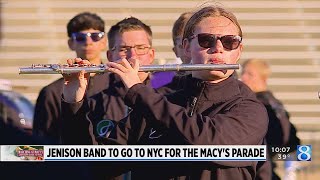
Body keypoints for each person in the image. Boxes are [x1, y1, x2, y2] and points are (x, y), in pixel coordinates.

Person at [104, 5, 269, 179]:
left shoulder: (250, 108)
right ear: (186, 47)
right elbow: (96, 163)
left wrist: (138, 91)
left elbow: (209, 143)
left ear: (238, 51)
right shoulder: (157, 102)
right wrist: (74, 102)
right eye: (206, 40)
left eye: (229, 41)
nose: (218, 48)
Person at [61, 17, 173, 180]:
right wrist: (73, 102)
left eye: (141, 48)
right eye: (123, 49)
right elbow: (81, 159)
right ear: (110, 56)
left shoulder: (172, 99)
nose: (133, 57)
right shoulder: (95, 101)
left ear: (151, 55)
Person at [33, 12, 108, 144]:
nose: (88, 42)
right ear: (70, 43)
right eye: (80, 37)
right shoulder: (51, 92)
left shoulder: (119, 83)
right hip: (68, 162)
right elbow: (41, 145)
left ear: (104, 42)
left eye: (95, 36)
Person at [241, 59, 301, 180]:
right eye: (243, 73)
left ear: (264, 78)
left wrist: (290, 169)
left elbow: (290, 141)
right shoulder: (274, 102)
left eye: (249, 74)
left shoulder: (257, 104)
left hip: (259, 171)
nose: (243, 78)